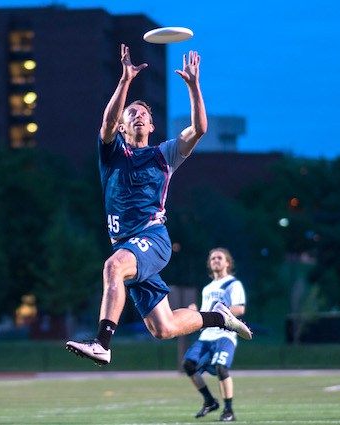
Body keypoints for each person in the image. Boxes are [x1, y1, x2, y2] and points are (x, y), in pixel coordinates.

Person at [66, 44, 251, 366]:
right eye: (132, 114)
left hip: (152, 238)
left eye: (144, 115)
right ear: (122, 127)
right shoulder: (112, 153)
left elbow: (200, 129)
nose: (138, 116)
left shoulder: (164, 155)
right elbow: (107, 121)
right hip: (127, 245)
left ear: (152, 126)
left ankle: (102, 343)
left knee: (113, 267)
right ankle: (219, 317)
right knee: (163, 328)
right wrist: (125, 80)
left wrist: (193, 86)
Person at [182, 248, 246, 422]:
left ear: (227, 262)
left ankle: (229, 410)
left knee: (221, 367)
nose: (216, 260)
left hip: (225, 334)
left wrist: (219, 313)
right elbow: (206, 314)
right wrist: (195, 314)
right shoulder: (207, 288)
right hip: (206, 336)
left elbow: (239, 309)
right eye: (212, 258)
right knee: (188, 364)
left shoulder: (233, 283)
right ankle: (209, 401)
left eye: (219, 257)